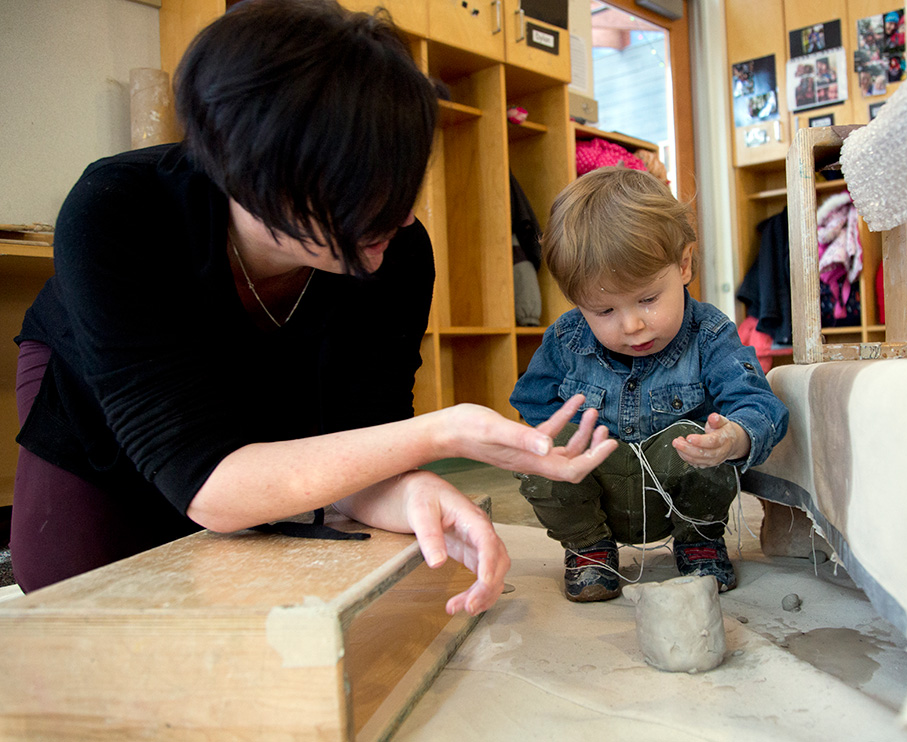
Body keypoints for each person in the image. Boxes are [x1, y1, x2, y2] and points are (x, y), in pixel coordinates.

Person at [9, 0, 617, 612]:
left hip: (258, 437)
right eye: (365, 192)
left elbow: (357, 448)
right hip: (101, 415)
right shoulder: (118, 211)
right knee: (81, 604)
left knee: (249, 602)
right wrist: (442, 433)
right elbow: (210, 486)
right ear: (260, 179)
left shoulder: (398, 251)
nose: (402, 217)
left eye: (404, 186)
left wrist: (410, 493)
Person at [509, 168, 789, 602]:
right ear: (577, 302)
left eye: (647, 299)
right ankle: (589, 550)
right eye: (604, 311)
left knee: (701, 437)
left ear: (683, 264)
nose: (632, 325)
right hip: (598, 492)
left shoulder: (710, 334)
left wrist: (734, 437)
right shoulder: (566, 339)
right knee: (539, 447)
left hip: (680, 497)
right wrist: (548, 448)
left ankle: (698, 542)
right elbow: (531, 403)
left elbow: (757, 402)